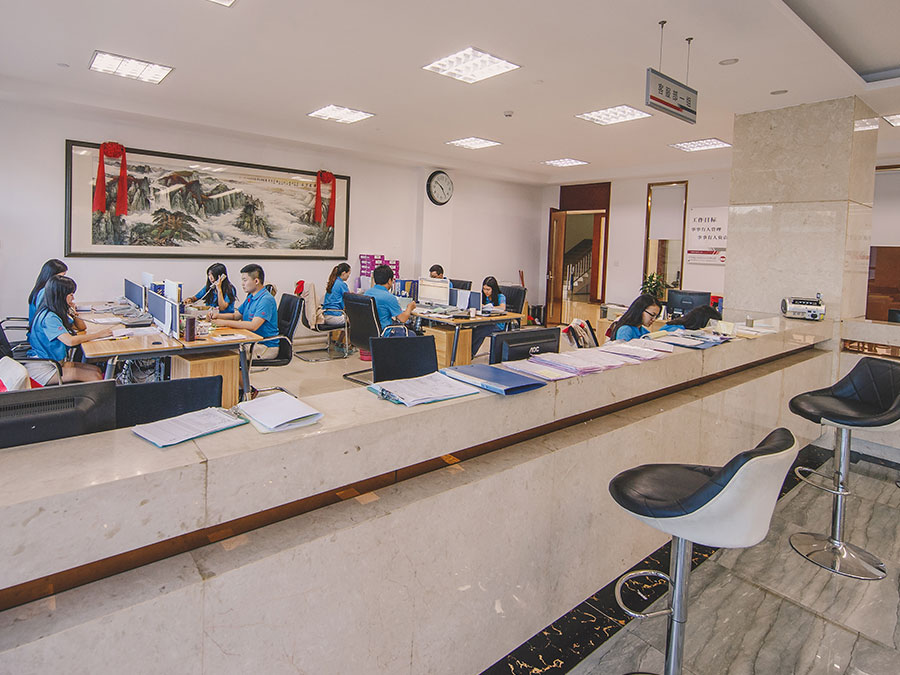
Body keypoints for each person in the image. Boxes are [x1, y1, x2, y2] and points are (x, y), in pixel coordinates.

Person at [25, 275, 112, 384]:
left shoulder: (55, 312)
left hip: (55, 362)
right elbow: (70, 341)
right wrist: (99, 334)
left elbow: (81, 327)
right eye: (71, 294)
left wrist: (73, 312)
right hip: (44, 367)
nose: (73, 298)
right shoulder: (49, 318)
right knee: (95, 376)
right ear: (61, 296)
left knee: (97, 371)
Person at [209, 263, 280, 359]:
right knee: (221, 348)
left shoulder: (266, 300)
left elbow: (253, 326)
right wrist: (217, 316)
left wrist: (223, 322)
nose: (242, 284)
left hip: (265, 346)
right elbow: (236, 316)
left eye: (245, 280)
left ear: (256, 281)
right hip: (251, 341)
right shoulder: (251, 296)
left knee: (225, 353)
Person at [364, 264, 416, 330]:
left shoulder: (367, 293)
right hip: (385, 332)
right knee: (412, 334)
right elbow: (403, 319)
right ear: (389, 281)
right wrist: (410, 307)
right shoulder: (389, 298)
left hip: (369, 332)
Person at [470, 275, 507, 356]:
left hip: (497, 324)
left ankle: (470, 353)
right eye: (484, 289)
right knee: (473, 330)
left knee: (479, 332)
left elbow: (502, 308)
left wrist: (491, 307)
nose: (485, 291)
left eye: (488, 289)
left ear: (493, 289)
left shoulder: (500, 297)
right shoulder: (484, 296)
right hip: (485, 322)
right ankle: (469, 353)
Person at [27, 259, 68, 328]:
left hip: (40, 328)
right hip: (42, 330)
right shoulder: (45, 292)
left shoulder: (40, 289)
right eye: (60, 276)